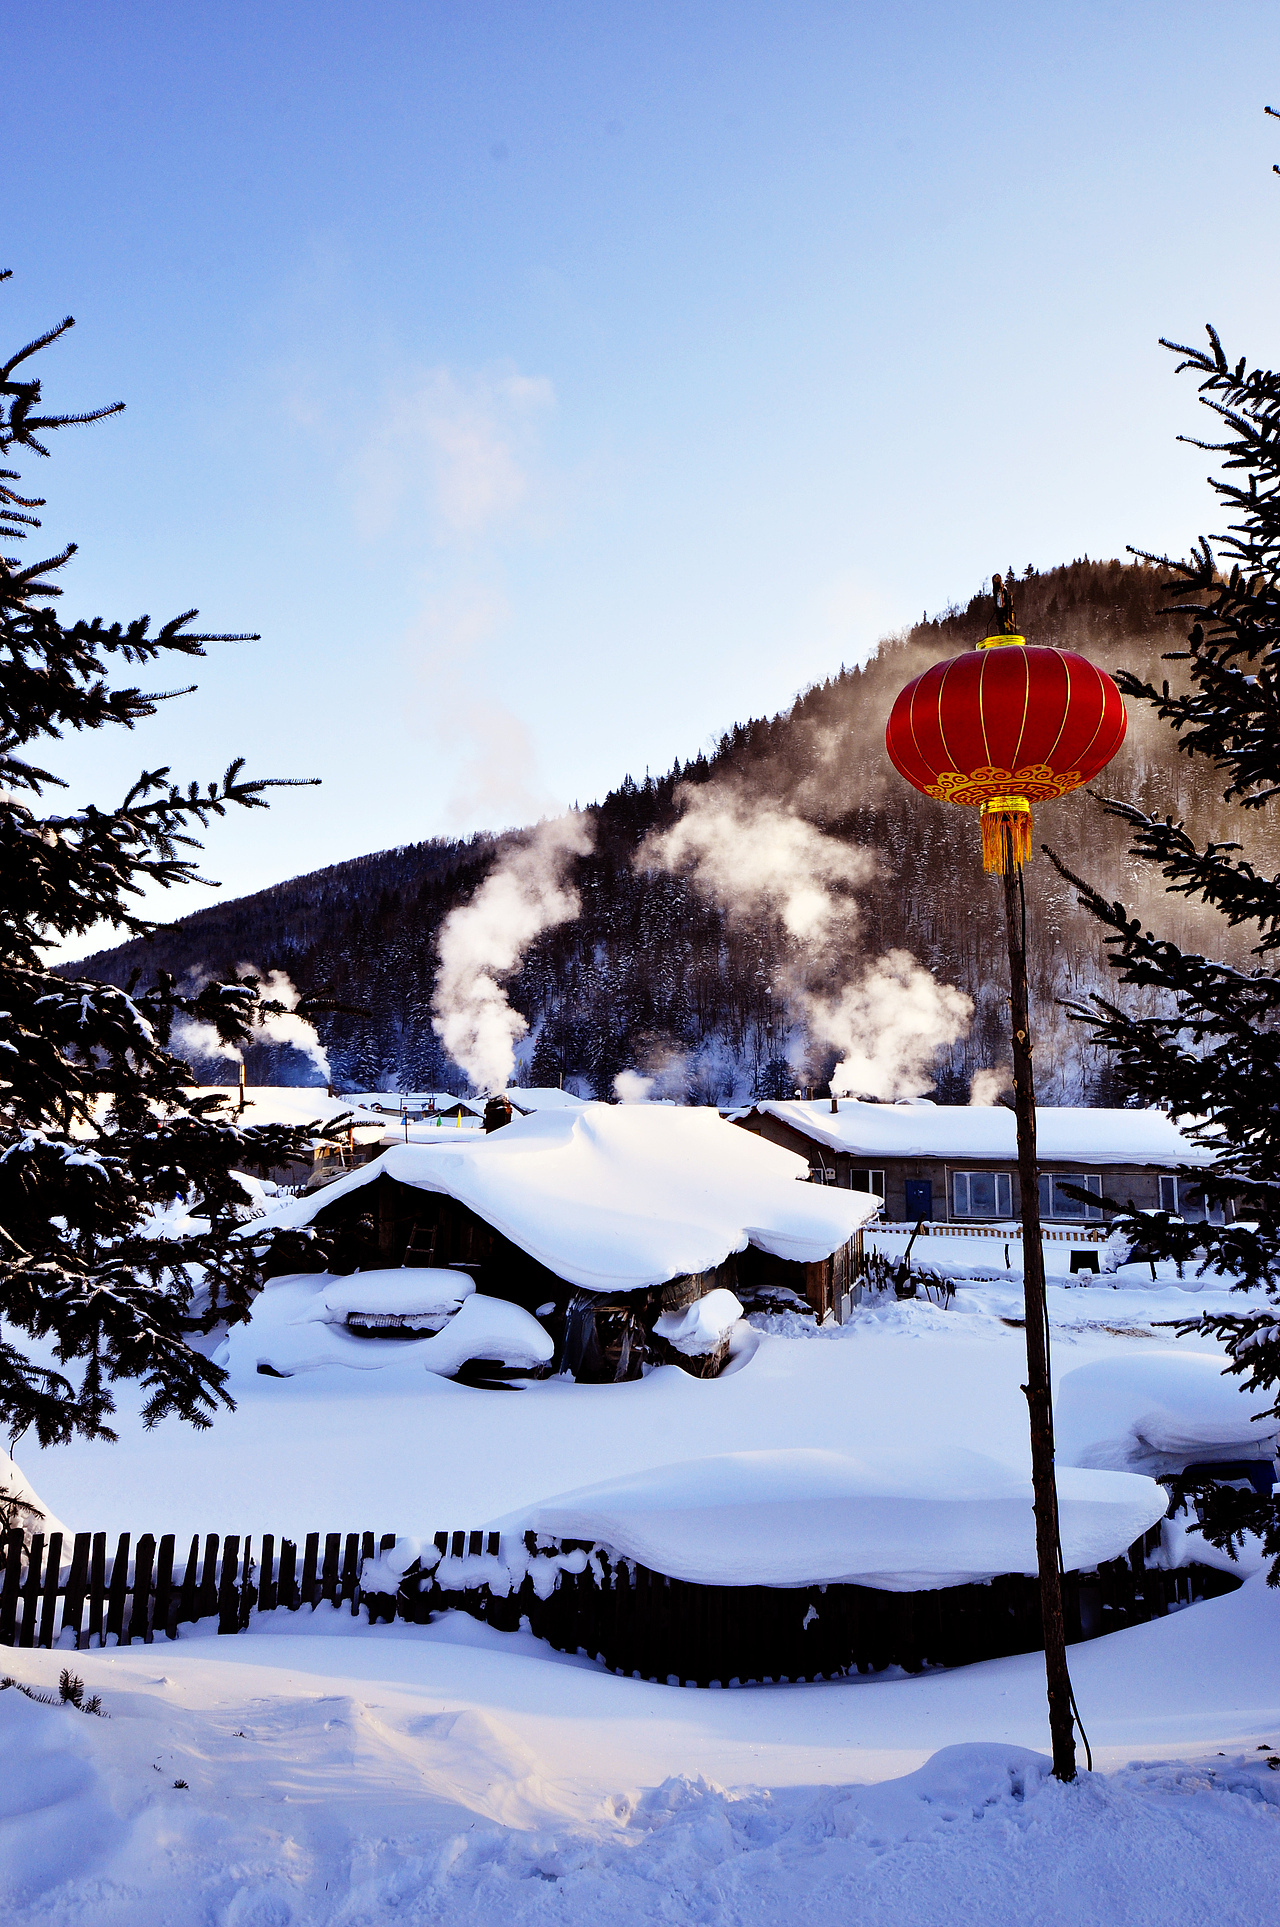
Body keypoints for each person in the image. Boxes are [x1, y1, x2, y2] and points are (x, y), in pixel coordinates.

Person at [991, 570, 1017, 635]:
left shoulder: (1004, 589)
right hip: (999, 609)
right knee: (1000, 623)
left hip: (1005, 608)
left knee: (1007, 622)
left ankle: (1010, 633)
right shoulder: (995, 590)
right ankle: (1002, 634)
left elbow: (1006, 600)